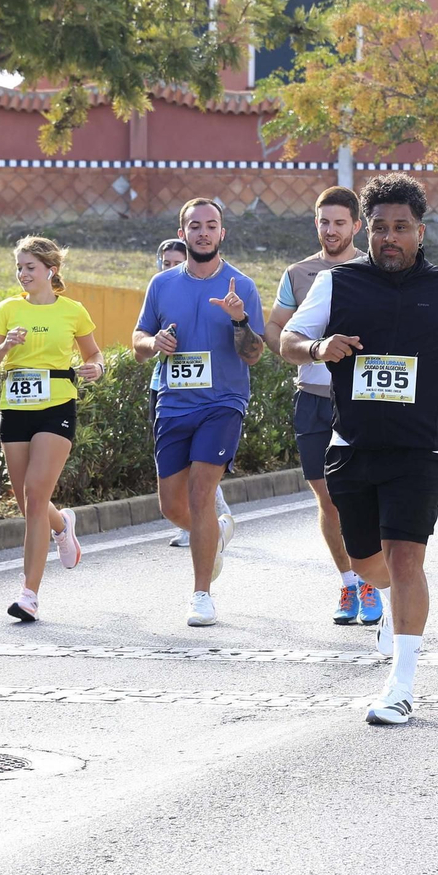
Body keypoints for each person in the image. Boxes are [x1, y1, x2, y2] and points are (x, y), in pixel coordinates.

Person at [280, 173, 438, 725]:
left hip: (420, 448)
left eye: (401, 227)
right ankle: (393, 602)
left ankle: (401, 685)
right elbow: (289, 341)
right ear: (367, 230)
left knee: (407, 558)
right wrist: (319, 347)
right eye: (380, 228)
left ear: (420, 231)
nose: (389, 237)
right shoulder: (337, 284)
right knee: (369, 561)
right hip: (354, 443)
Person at [133, 197, 266, 628]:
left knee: (201, 493)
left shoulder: (241, 286)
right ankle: (214, 533)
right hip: (174, 403)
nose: (203, 232)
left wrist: (239, 320)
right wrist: (154, 342)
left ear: (222, 233)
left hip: (223, 403)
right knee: (172, 507)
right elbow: (138, 341)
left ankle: (201, 595)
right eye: (195, 226)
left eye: (211, 226)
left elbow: (254, 355)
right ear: (183, 232)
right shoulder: (162, 285)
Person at [264, 186, 384, 627]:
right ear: (315, 223)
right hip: (313, 400)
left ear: (356, 226)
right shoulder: (298, 273)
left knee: (362, 497)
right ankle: (350, 582)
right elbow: (276, 329)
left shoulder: (374, 270)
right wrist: (303, 351)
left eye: (339, 223)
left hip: (363, 401)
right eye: (324, 222)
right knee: (328, 500)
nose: (331, 230)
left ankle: (372, 579)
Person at [0, 236, 102, 622]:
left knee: (34, 496)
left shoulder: (73, 311)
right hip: (14, 409)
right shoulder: (8, 308)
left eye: (30, 267)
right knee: (27, 500)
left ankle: (28, 594)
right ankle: (62, 525)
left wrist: (97, 367)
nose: (23, 274)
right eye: (19, 267)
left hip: (56, 407)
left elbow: (94, 353)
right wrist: (5, 347)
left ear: (51, 270)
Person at [148, 238, 198, 549]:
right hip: (163, 386)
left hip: (200, 391)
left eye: (176, 263)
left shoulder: (200, 290)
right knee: (174, 460)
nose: (170, 268)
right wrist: (154, 342)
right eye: (165, 263)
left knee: (198, 461)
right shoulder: (157, 292)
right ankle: (194, 521)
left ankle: (207, 519)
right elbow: (142, 339)